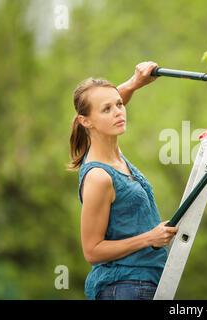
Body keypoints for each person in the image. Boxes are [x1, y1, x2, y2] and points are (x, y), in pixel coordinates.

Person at [68, 61, 178, 300]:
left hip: (145, 284)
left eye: (119, 105)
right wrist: (149, 238)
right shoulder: (99, 176)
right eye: (107, 109)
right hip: (124, 287)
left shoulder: (112, 154)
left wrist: (134, 83)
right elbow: (92, 251)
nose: (118, 111)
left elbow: (102, 105)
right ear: (86, 122)